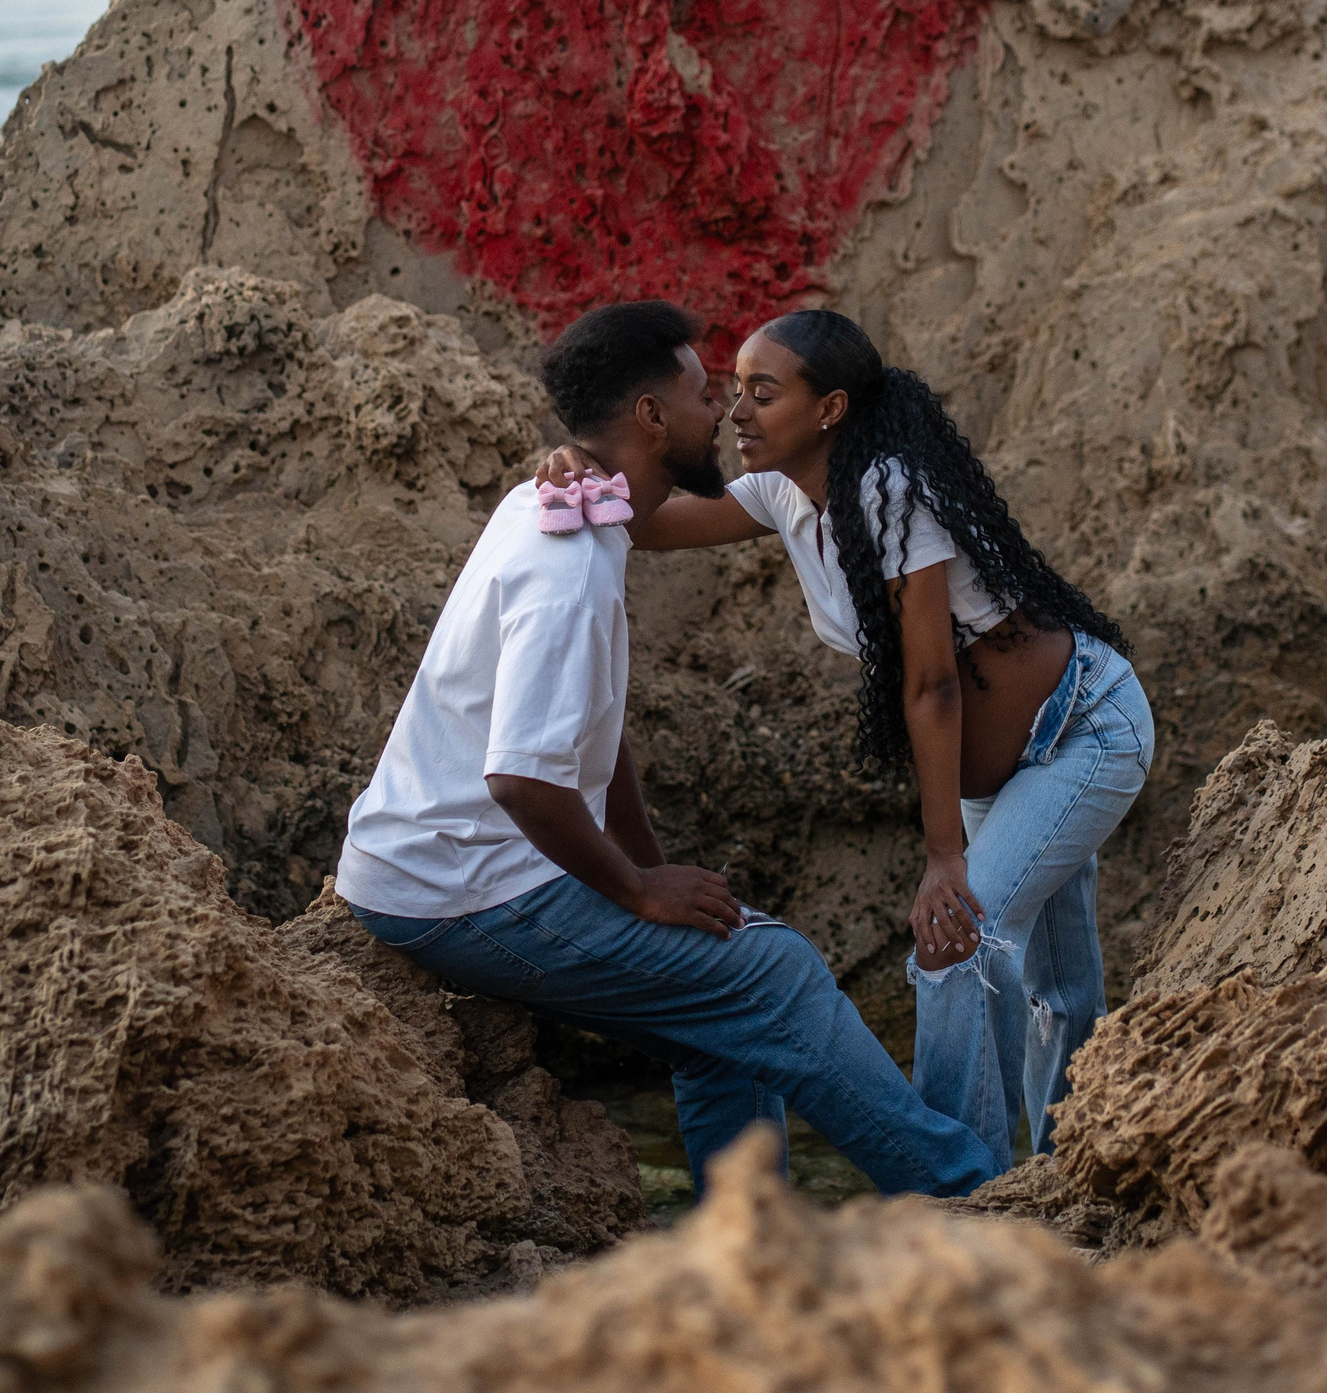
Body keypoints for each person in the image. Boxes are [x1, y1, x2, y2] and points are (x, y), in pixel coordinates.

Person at [335, 300, 1000, 1199]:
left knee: (715, 1019)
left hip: (454, 871)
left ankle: (745, 1259)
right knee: (772, 974)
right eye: (700, 394)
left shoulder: (575, 510)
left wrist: (652, 874)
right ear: (650, 417)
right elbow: (523, 780)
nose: (720, 413)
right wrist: (637, 890)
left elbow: (593, 740)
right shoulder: (567, 568)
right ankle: (974, 1202)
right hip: (458, 891)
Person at [537, 310, 1152, 1171]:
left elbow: (931, 683)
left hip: (1082, 729)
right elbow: (640, 523)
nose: (736, 410)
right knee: (1057, 986)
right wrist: (579, 471)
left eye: (763, 392)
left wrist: (943, 859)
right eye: (733, 389)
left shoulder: (890, 489)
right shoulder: (780, 493)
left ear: (828, 409)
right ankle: (1063, 1180)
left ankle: (968, 1203)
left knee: (962, 943)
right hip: (1003, 773)